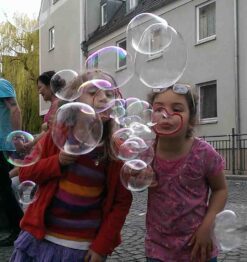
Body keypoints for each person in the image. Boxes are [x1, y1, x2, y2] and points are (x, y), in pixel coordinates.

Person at [10, 70, 132, 262]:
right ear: (75, 100)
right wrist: (56, 161)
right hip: (41, 238)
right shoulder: (57, 137)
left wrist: (102, 246)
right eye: (92, 93)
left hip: (80, 247)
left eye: (108, 95)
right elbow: (25, 173)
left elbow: (121, 202)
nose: (102, 99)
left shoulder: (114, 151)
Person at [145, 84, 228, 262]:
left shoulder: (204, 153)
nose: (166, 115)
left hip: (198, 247)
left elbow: (220, 189)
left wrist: (208, 225)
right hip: (158, 249)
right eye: (159, 109)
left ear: (191, 119)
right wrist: (137, 178)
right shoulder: (146, 153)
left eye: (177, 109)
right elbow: (133, 182)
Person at [0, 78, 24, 246]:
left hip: (4, 145)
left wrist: (17, 136)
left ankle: (19, 227)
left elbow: (15, 108)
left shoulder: (1, 83)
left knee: (4, 188)